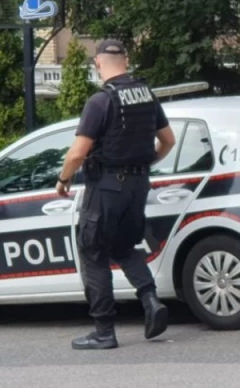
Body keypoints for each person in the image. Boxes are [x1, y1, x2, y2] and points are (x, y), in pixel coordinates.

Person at [55, 39, 176, 350]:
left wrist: (63, 180)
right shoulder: (146, 94)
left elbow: (77, 153)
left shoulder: (100, 101)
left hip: (107, 186)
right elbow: (168, 140)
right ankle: (150, 300)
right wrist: (147, 163)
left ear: (98, 63)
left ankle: (104, 331)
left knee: (92, 252)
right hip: (138, 186)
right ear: (127, 59)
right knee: (124, 246)